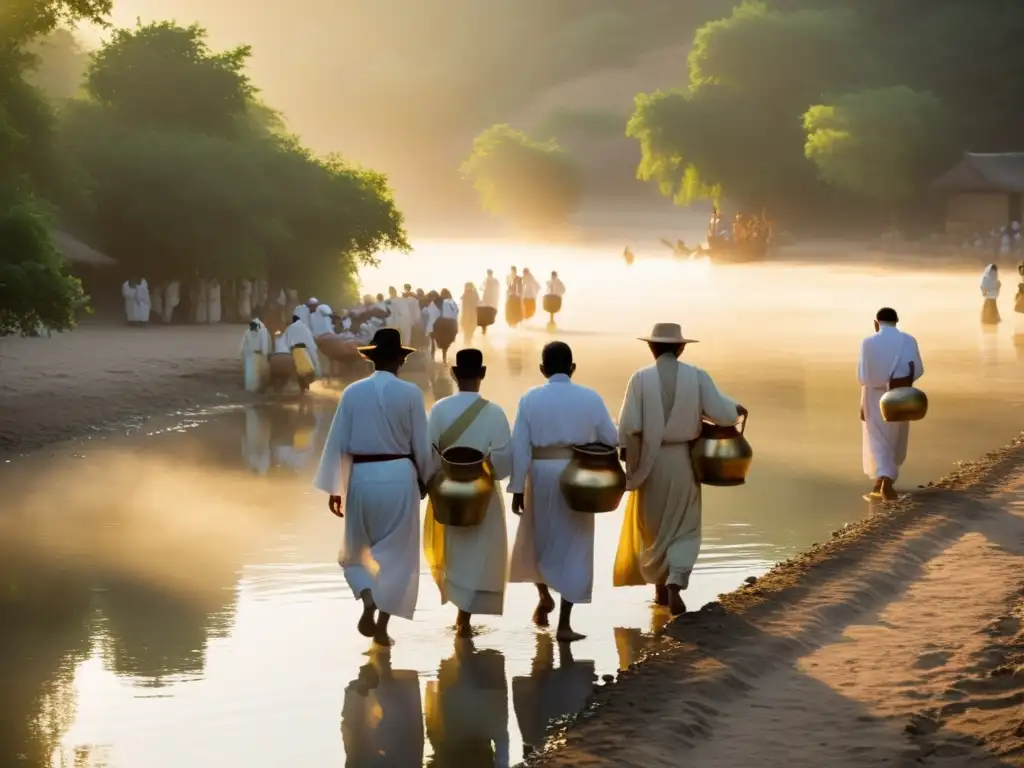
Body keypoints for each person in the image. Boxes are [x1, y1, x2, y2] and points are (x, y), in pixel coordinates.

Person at [613, 323, 746, 615]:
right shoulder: (696, 376)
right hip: (683, 463)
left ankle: (660, 590)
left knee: (656, 529)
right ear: (681, 348)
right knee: (685, 528)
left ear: (651, 348)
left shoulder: (640, 379)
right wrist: (736, 408)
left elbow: (628, 428)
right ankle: (675, 582)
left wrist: (629, 466)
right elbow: (723, 415)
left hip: (650, 464)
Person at [313, 328, 433, 646]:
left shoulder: (353, 392)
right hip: (400, 477)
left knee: (356, 550)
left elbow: (337, 441)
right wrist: (428, 479)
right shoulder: (411, 394)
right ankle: (381, 627)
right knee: (398, 557)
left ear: (371, 360)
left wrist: (335, 488)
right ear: (399, 361)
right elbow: (421, 445)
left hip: (362, 478)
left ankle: (367, 595)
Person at [508, 341, 618, 641]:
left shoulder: (530, 399)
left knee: (537, 538)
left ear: (542, 369)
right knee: (576, 546)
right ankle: (565, 625)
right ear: (573, 368)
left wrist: (517, 487)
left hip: (540, 474)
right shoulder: (590, 398)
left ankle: (543, 595)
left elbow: (520, 447)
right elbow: (611, 439)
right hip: (580, 476)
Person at [424, 349, 513, 637]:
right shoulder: (495, 412)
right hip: (482, 493)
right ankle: (466, 617)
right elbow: (502, 466)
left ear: (453, 373)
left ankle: (460, 616)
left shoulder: (438, 409)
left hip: (448, 493)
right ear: (483, 373)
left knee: (455, 551)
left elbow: (428, 455)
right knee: (480, 552)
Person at [858, 307, 924, 501]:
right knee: (896, 437)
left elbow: (862, 376)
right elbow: (918, 370)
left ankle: (885, 482)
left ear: (876, 323)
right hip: (900, 394)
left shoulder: (868, 342)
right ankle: (882, 482)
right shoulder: (909, 340)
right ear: (896, 321)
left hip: (873, 395)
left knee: (877, 438)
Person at [284, 311, 321, 389]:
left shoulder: (289, 328)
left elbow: (286, 341)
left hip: (294, 351)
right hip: (305, 351)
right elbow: (310, 341)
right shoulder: (305, 327)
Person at [238, 319, 271, 393]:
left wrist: (243, 357)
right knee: (259, 376)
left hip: (249, 355)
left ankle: (250, 391)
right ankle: (258, 391)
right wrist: (266, 356)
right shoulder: (263, 331)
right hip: (259, 355)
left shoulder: (247, 332)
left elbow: (243, 346)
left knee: (250, 378)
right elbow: (264, 345)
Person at [432, 288, 459, 364]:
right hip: (450, 323)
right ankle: (444, 356)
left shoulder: (439, 302)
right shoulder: (452, 302)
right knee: (446, 342)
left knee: (441, 340)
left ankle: (438, 356)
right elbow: (456, 312)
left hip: (441, 323)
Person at [478, 270, 500, 335]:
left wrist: (484, 289)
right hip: (492, 299)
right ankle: (485, 327)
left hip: (486, 298)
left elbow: (480, 287)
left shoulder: (487, 279)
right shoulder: (495, 281)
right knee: (490, 312)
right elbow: (497, 290)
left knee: (484, 313)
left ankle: (484, 328)